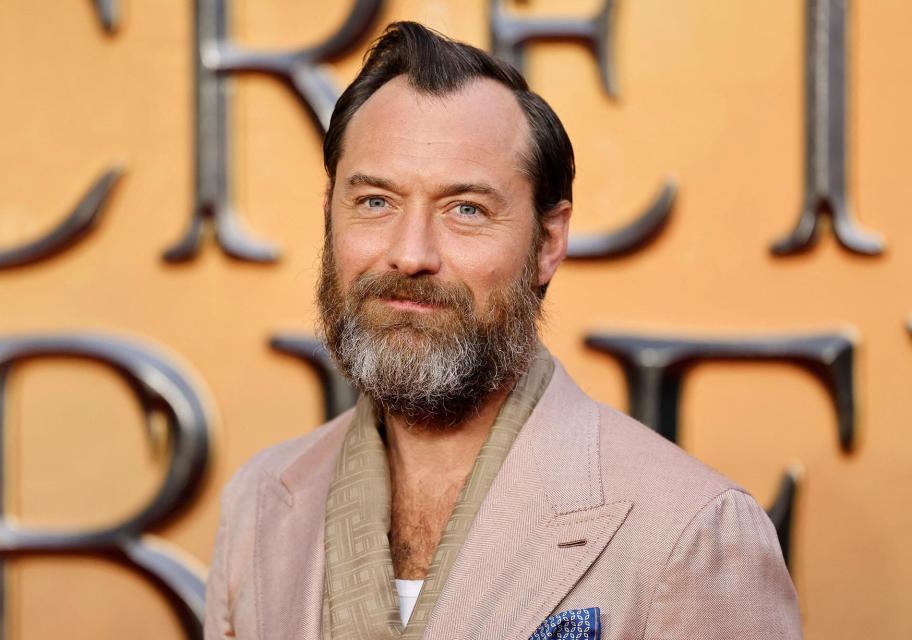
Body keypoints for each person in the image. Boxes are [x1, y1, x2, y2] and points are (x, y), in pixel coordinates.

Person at [205, 21, 802, 640]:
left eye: (466, 208)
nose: (410, 255)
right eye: (376, 201)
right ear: (331, 216)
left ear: (548, 241)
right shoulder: (258, 504)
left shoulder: (691, 530)